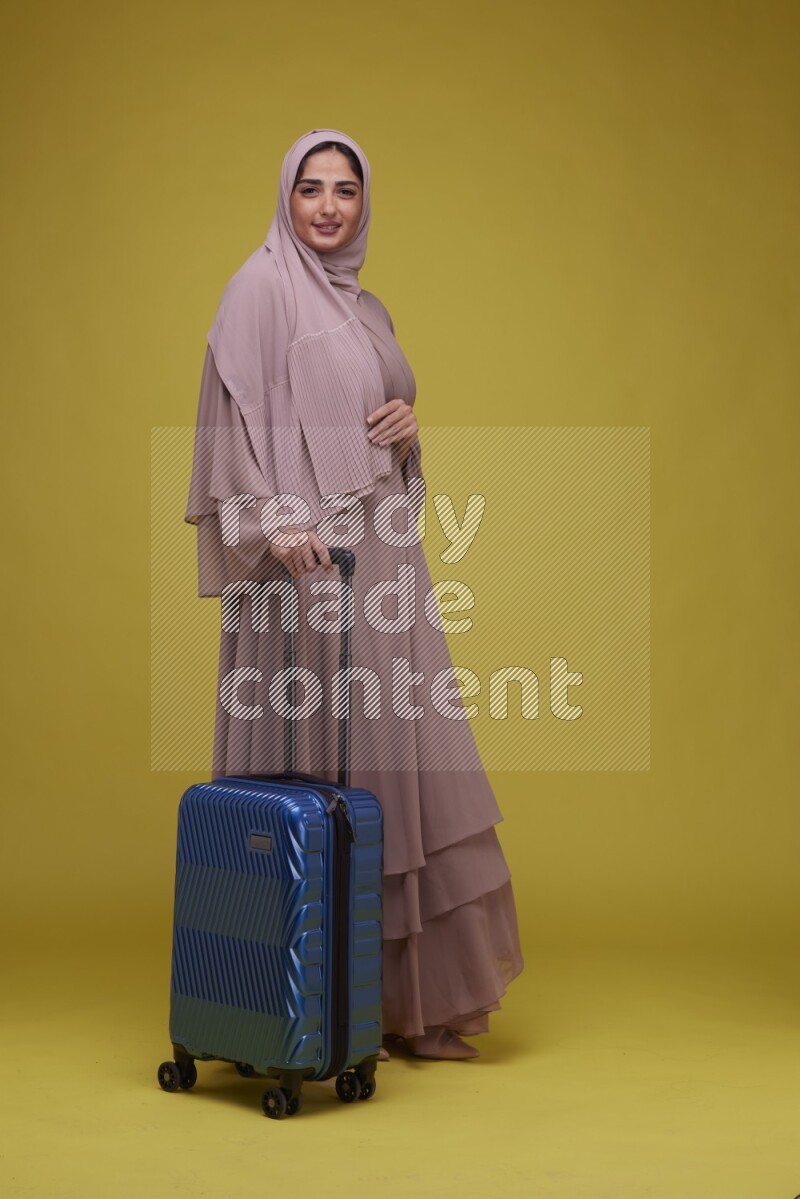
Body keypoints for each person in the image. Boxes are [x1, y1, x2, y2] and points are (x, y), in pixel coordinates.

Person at [185, 128, 524, 1060]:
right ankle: (298, 1005)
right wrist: (269, 519)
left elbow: (383, 445)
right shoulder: (257, 288)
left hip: (380, 551)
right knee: (313, 761)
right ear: (284, 198)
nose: (329, 206)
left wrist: (411, 431)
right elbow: (227, 425)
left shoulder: (366, 307)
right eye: (310, 188)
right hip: (298, 561)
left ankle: (403, 1006)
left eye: (345, 189)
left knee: (399, 757)